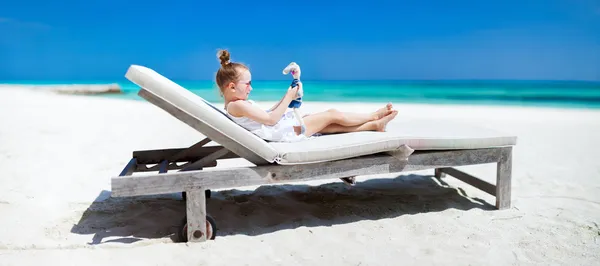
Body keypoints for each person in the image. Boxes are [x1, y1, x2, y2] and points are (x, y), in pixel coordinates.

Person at [216, 49, 398, 142]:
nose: (250, 88)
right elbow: (270, 120)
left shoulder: (237, 105)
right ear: (232, 86)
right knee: (332, 114)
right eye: (247, 84)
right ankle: (373, 116)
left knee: (329, 125)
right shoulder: (236, 105)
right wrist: (289, 96)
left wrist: (286, 98)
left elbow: (267, 113)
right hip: (281, 132)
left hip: (280, 129)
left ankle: (374, 125)